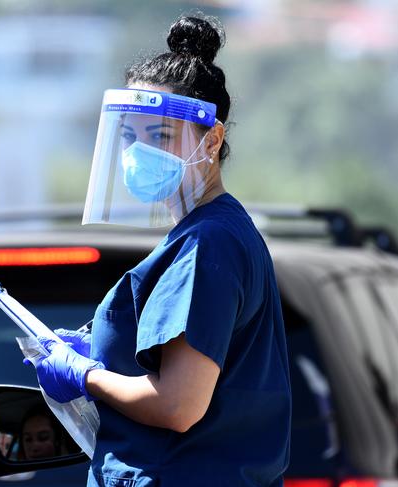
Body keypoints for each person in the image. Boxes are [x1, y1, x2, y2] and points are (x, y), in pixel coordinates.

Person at [26, 13, 291, 487]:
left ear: (212, 139)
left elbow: (178, 406)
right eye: (130, 136)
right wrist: (106, 356)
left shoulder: (206, 243)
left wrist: (84, 375)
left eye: (161, 136)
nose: (138, 152)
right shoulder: (208, 233)